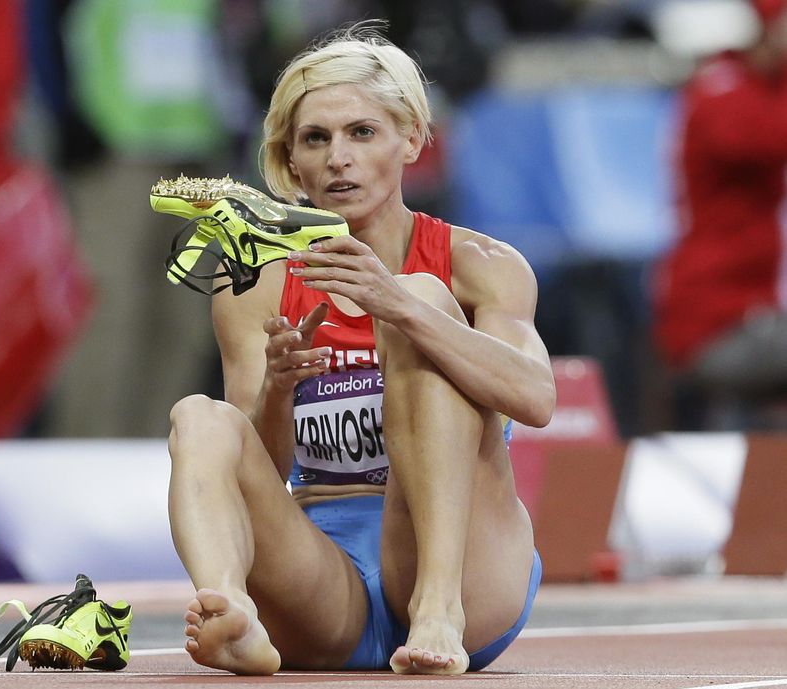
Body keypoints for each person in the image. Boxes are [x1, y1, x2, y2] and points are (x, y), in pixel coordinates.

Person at [166, 24, 554, 675]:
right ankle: (230, 610)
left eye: (362, 132)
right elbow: (259, 467)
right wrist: (278, 390)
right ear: (292, 162)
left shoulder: (482, 265)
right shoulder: (257, 283)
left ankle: (436, 608)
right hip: (325, 574)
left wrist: (396, 303)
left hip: (467, 567)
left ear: (411, 140)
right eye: (316, 139)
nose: (338, 158)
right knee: (198, 417)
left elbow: (537, 398)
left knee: (422, 300)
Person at [654, 0, 787, 430]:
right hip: (715, 319)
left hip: (753, 311)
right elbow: (767, 137)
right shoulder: (721, 91)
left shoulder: (754, 87)